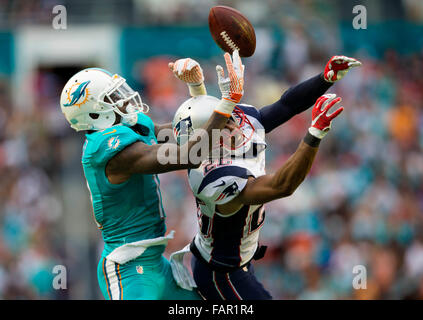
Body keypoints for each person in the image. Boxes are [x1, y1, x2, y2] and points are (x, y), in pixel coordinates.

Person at [58, 50, 246, 300]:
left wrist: (199, 93)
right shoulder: (108, 150)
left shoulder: (129, 126)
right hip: (129, 269)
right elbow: (186, 155)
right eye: (113, 97)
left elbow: (178, 134)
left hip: (156, 262)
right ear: (95, 114)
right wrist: (224, 106)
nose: (124, 99)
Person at [170, 55, 361, 299]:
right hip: (220, 271)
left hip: (240, 259)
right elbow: (282, 186)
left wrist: (325, 79)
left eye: (229, 118)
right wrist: (314, 134)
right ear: (205, 143)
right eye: (222, 126)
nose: (234, 126)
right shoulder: (212, 178)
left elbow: (286, 105)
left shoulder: (232, 123)